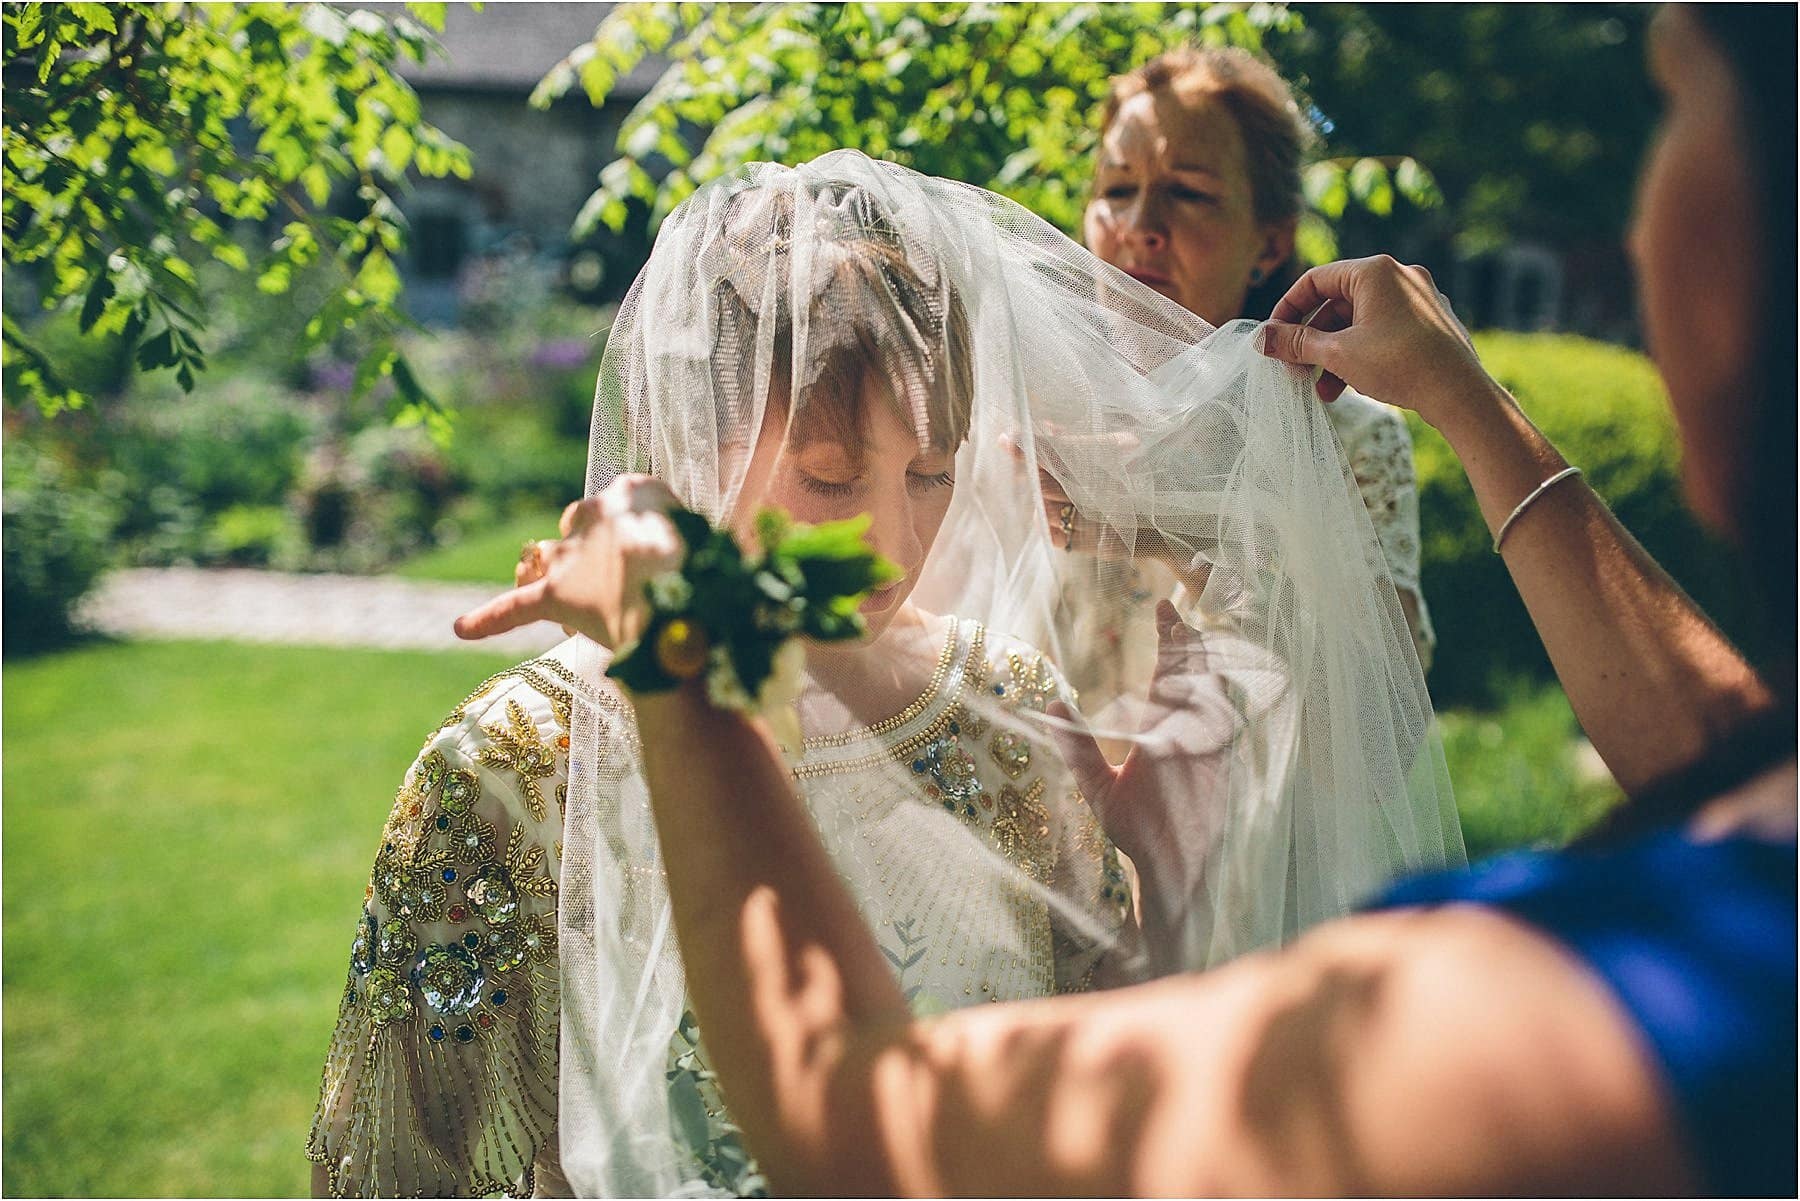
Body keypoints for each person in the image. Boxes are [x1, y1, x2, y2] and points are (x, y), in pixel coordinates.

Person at [454, 5, 1794, 1194]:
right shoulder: (1734, 899)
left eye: (1676, 97)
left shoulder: (1615, 997)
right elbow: (1726, 757)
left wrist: (683, 639)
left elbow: (867, 1124)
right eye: (1117, 185)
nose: (1139, 223)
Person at [310, 156, 1459, 1196]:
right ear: (687, 439)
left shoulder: (1002, 710)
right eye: (825, 478)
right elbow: (427, 1163)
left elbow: (1100, 1030)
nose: (892, 546)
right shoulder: (513, 770)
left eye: (930, 475)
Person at [1079, 46, 1436, 672]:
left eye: (1187, 192)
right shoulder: (1030, 408)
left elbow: (1384, 711)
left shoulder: (1350, 437)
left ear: (1269, 242)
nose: (1139, 225)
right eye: (1117, 187)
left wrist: (1175, 545)